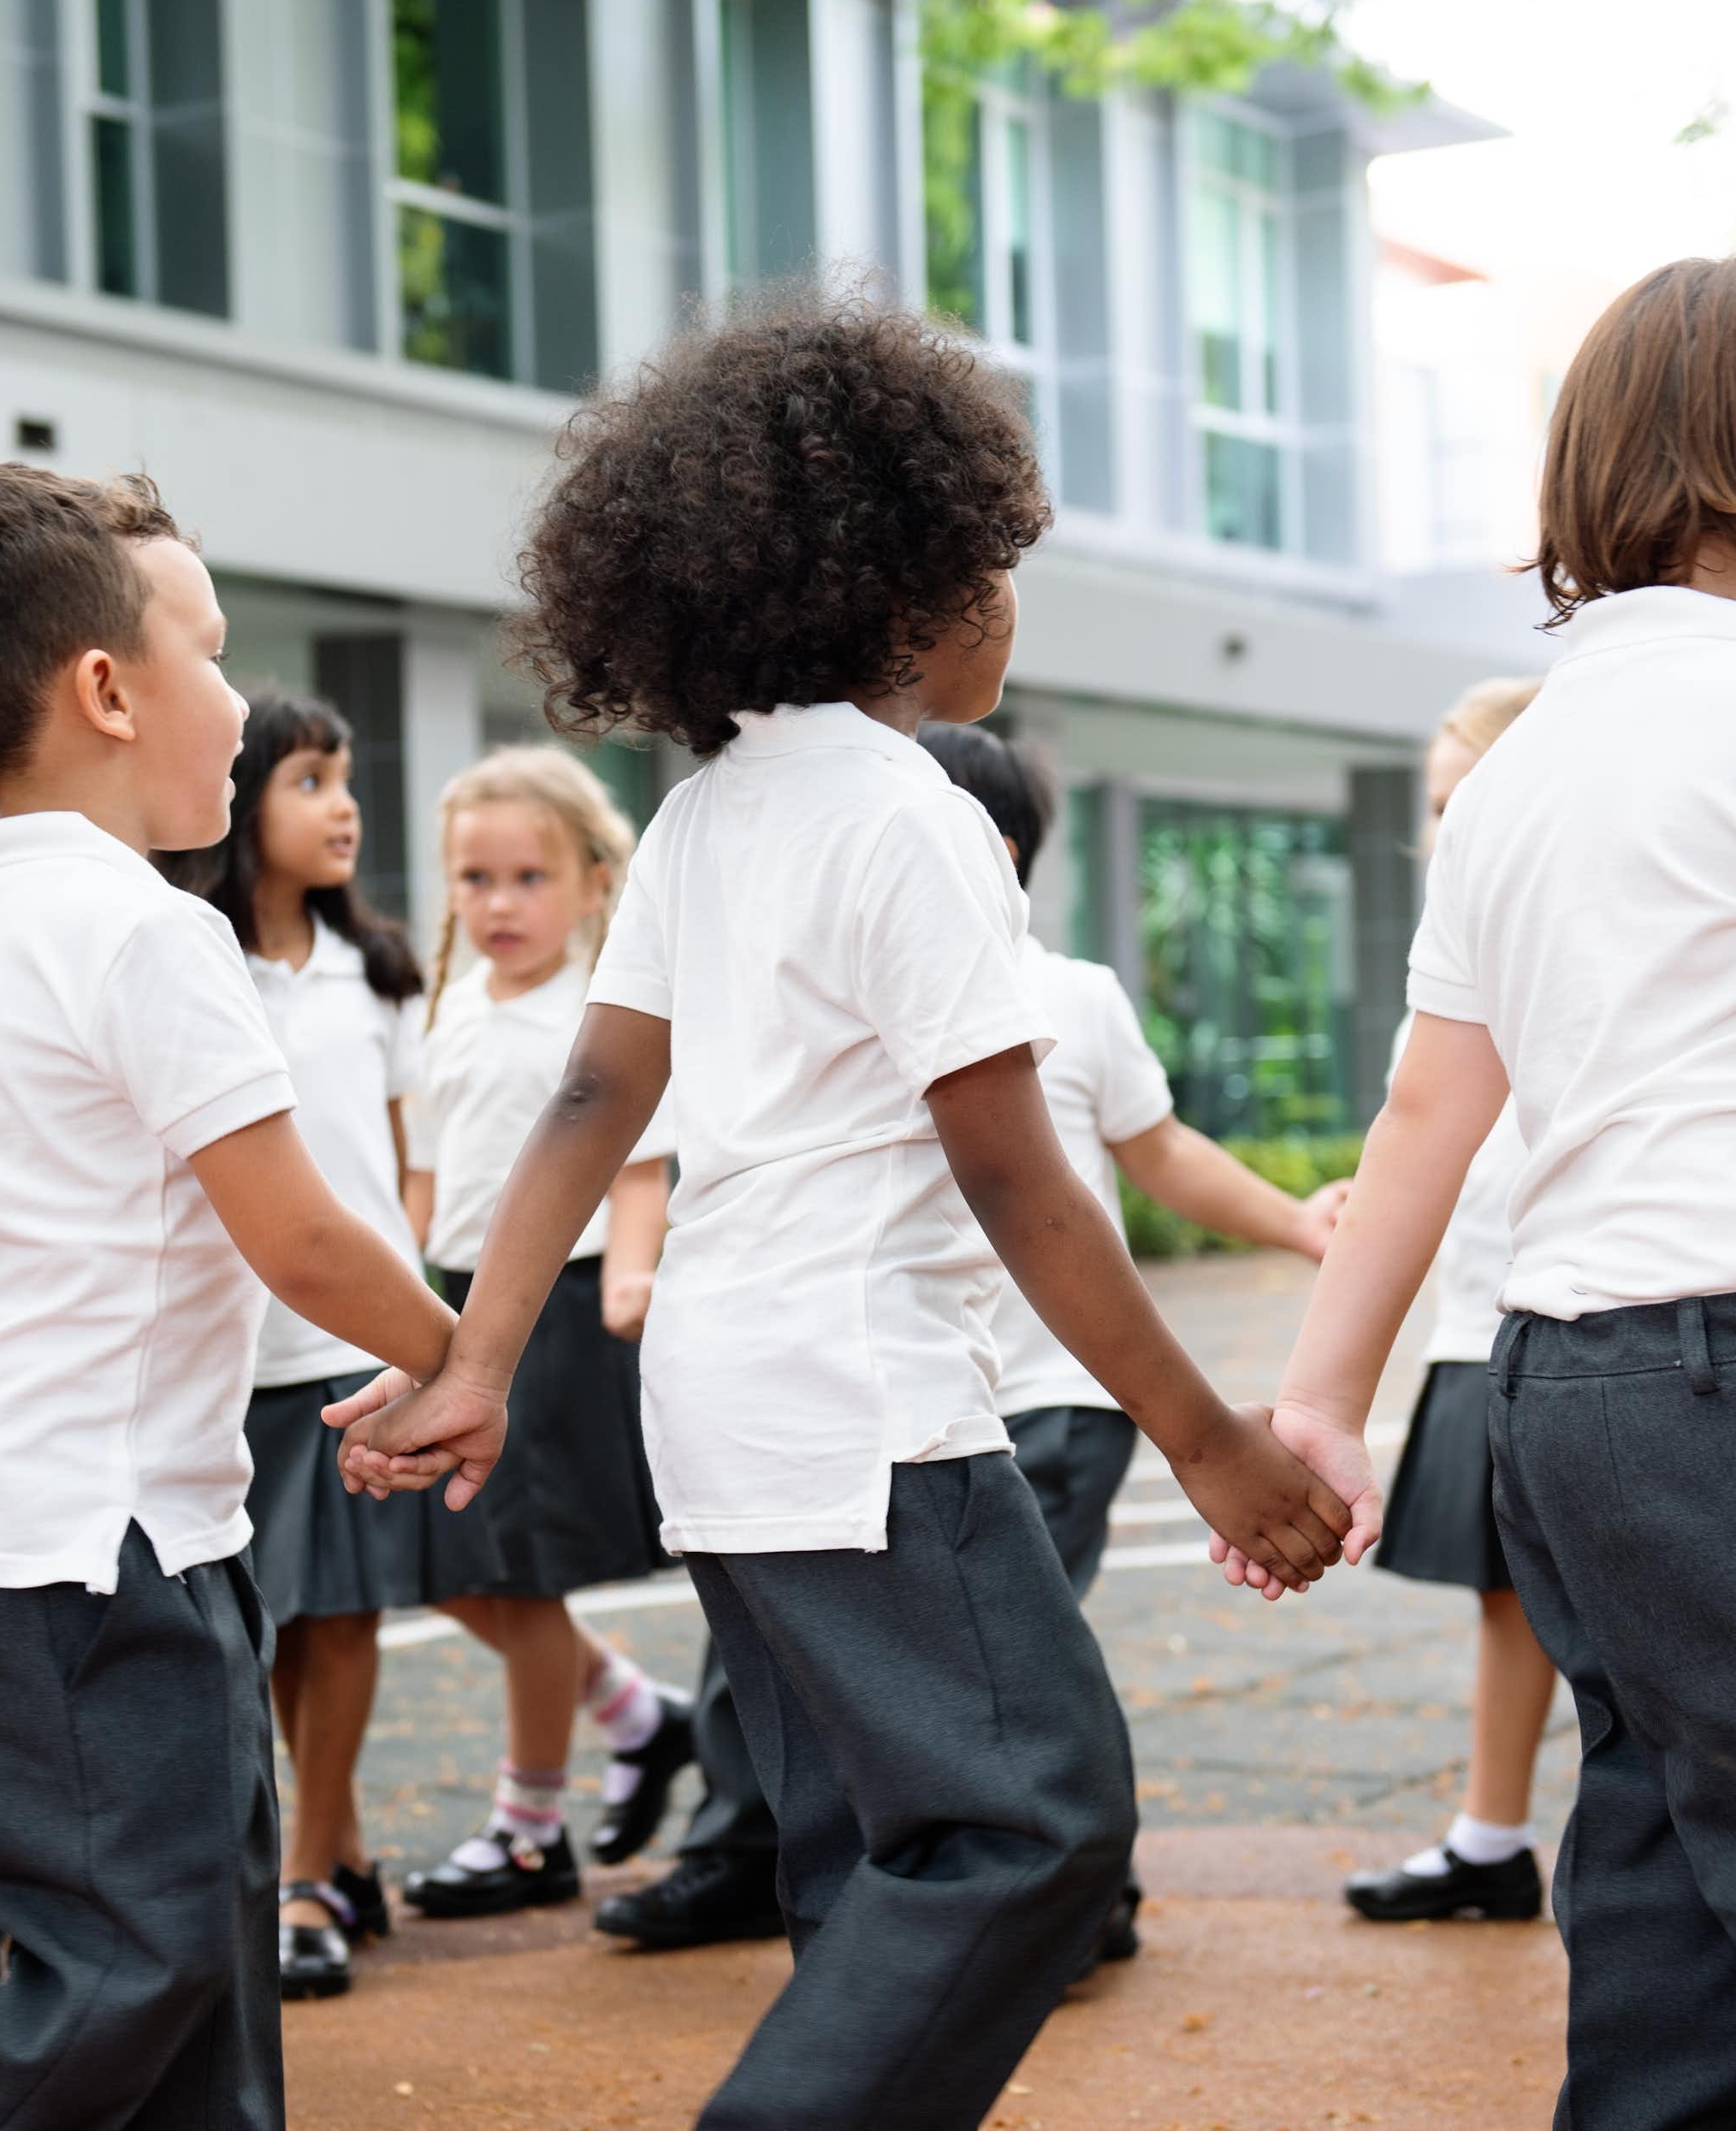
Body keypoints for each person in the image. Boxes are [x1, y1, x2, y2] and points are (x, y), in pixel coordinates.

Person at [335, 292, 1356, 2131]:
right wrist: (1200, 1435)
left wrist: (480, 1349)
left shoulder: (714, 804)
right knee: (1032, 1818)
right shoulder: (910, 814)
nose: (1009, 597)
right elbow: (1011, 1164)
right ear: (905, 586)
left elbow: (589, 1094)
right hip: (867, 1404)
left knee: (859, 1850)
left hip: (726, 1406)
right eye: (994, 557)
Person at [1223, 249, 1736, 2127]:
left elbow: (1425, 1110)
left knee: (1668, 1890)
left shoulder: (1519, 766)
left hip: (1557, 1396)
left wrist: (1323, 1400)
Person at [0, 465, 455, 2131]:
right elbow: (296, 1235)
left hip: (22, 1538)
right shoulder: (145, 937)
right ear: (104, 688)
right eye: (212, 651)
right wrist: (462, 1348)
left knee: (194, 1973)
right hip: (97, 1551)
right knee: (138, 1969)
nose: (235, 694)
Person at [597, 719, 1351, 1956]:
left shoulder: (1066, 995)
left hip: (1036, 1392)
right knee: (944, 1734)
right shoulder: (840, 876)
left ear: (991, 853)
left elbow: (1158, 1154)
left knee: (992, 1704)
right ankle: (847, 1883)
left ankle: (1023, 1909)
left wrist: (1296, 1230)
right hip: (879, 1401)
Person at [162, 688, 431, 1997]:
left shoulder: (378, 971)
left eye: (346, 780)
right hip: (241, 1351)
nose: (344, 807)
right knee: (272, 1620)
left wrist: (419, 1314)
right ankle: (336, 1847)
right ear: (243, 798)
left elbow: (402, 1164)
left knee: (346, 1613)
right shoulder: (196, 962)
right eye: (310, 782)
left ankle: (314, 1869)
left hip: (355, 1349)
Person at [394, 746, 688, 1919]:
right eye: (476, 879)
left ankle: (527, 1830)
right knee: (447, 1568)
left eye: (527, 876)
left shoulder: (596, 1018)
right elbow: (422, 1182)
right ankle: (635, 1714)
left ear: (594, 882)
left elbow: (639, 1170)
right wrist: (397, 1299)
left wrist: (629, 1279)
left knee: (513, 1580)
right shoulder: (447, 1009)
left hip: (557, 1316)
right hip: (453, 1307)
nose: (499, 903)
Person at [1342, 677, 1558, 1927]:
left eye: (1460, 794)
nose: (1444, 824)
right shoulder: (1457, 938)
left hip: (1574, 1306)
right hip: (1481, 1318)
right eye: (1434, 803)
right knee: (1505, 1593)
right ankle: (1491, 1836)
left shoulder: (1574, 908)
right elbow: (1427, 1131)